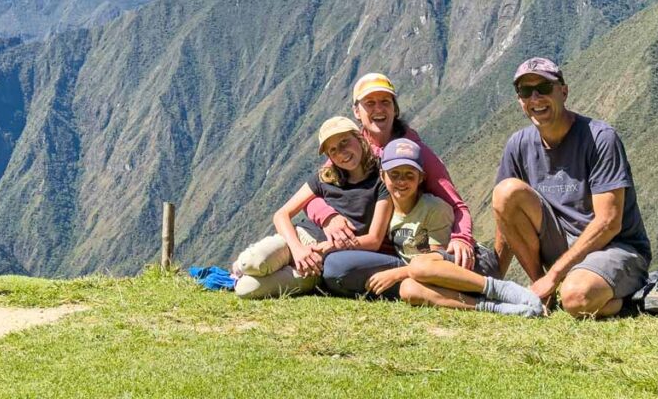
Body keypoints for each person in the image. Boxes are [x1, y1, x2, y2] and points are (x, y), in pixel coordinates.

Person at [492, 57, 652, 318]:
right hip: (562, 245)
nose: (535, 98)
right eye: (526, 91)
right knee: (505, 191)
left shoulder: (600, 139)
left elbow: (609, 223)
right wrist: (494, 278)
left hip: (614, 247)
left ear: (563, 92)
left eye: (544, 88)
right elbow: (505, 215)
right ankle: (543, 294)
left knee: (576, 298)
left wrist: (554, 275)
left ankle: (637, 299)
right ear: (519, 99)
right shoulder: (519, 145)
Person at [314, 73, 498, 296]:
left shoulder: (416, 153)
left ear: (395, 108)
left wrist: (461, 238)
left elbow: (456, 205)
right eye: (369, 103)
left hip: (412, 251)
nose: (378, 109)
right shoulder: (350, 148)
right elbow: (316, 189)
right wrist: (328, 216)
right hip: (370, 248)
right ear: (356, 112)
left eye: (385, 102)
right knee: (331, 264)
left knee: (337, 269)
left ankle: (428, 281)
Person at [343, 138, 543, 317]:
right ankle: (491, 307)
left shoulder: (434, 208)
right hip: (437, 279)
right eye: (394, 174)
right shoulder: (386, 210)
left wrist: (395, 273)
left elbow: (435, 262)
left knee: (420, 266)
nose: (401, 181)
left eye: (409, 175)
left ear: (421, 177)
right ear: (382, 175)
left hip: (471, 265)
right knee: (408, 290)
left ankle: (500, 289)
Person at [232, 116, 392, 299]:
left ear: (359, 138)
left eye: (344, 142)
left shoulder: (381, 180)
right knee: (250, 262)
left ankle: (249, 272)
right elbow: (282, 214)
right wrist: (298, 250)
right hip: (299, 238)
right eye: (333, 150)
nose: (341, 152)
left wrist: (327, 248)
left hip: (322, 259)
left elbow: (374, 240)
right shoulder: (325, 177)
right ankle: (247, 266)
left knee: (246, 289)